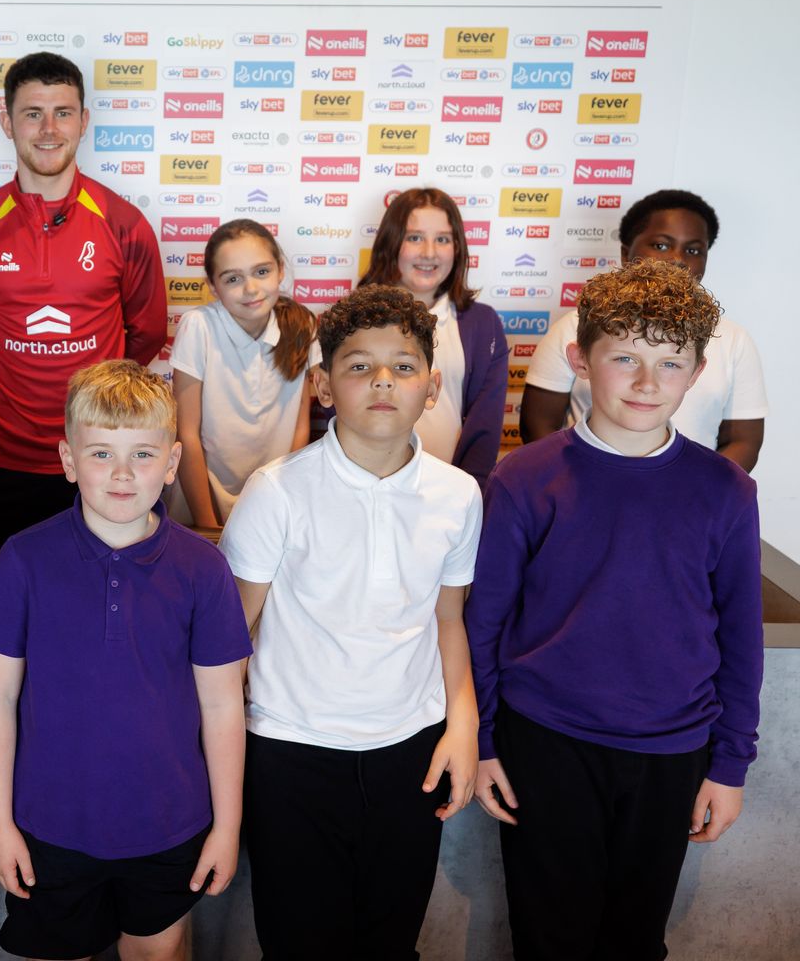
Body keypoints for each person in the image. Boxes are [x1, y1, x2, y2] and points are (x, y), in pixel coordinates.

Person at [466, 260, 762, 961]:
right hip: (546, 742)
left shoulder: (725, 491)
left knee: (634, 940)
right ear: (580, 360)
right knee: (549, 938)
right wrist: (482, 741)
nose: (647, 382)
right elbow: (486, 623)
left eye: (670, 363)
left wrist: (730, 764)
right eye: (625, 357)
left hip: (672, 750)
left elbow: (740, 637)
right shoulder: (523, 478)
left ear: (696, 374)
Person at [220, 284, 482, 959]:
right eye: (359, 366)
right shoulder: (277, 490)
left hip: (411, 751)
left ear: (432, 387)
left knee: (390, 941)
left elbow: (449, 621)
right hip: (290, 751)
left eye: (404, 365)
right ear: (323, 385)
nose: (383, 381)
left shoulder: (459, 495)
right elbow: (231, 637)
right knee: (298, 943)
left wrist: (463, 726)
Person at [0, 359, 251, 961]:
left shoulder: (204, 569)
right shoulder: (24, 559)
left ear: (172, 463)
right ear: (68, 460)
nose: (122, 474)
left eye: (143, 455)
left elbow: (223, 704)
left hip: (169, 824)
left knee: (157, 952)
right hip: (47, 823)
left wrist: (227, 827)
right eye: (101, 454)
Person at [0, 52, 167, 548]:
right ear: (7, 123)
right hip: (0, 457)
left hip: (99, 453)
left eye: (62, 112)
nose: (48, 129)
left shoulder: (124, 225)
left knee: (101, 585)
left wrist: (97, 397)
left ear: (83, 121)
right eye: (32, 113)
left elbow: (146, 333)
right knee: (1, 584)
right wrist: (6, 379)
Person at [519, 189, 766, 471]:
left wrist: (692, 491)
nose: (677, 259)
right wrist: (582, 484)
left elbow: (743, 441)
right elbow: (538, 425)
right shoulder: (572, 327)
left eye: (693, 250)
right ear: (626, 252)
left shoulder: (734, 341)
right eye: (661, 245)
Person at [359, 187, 509, 489]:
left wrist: (467, 493)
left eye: (442, 239)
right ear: (391, 243)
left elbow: (485, 427)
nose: (429, 252)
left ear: (457, 248)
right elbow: (343, 409)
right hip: (366, 486)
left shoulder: (483, 324)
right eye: (415, 238)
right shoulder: (356, 318)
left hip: (450, 491)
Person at [171, 218, 316, 531]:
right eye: (233, 279)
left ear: (280, 270)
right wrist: (208, 525)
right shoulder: (198, 326)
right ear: (213, 285)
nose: (250, 289)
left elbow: (300, 428)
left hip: (272, 502)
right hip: (201, 501)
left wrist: (285, 503)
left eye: (261, 272)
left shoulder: (302, 325)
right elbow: (187, 434)